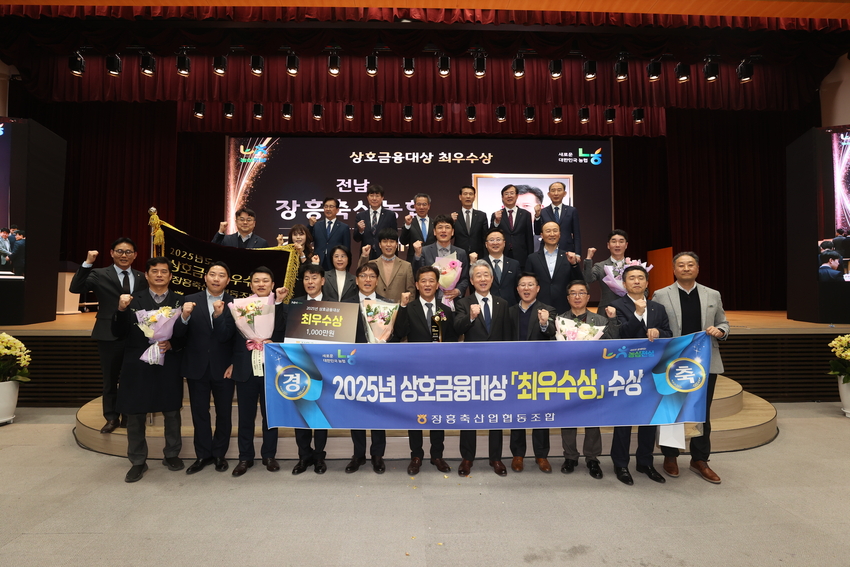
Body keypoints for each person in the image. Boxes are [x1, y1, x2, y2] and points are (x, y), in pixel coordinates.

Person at [652, 252, 730, 484]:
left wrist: (721, 331)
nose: (686, 268)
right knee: (671, 409)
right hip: (673, 363)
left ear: (697, 268)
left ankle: (700, 459)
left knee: (701, 411)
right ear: (674, 269)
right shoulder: (661, 294)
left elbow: (723, 322)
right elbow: (656, 325)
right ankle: (670, 456)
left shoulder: (712, 294)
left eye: (690, 265)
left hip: (704, 363)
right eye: (681, 265)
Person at [111, 257, 185, 482]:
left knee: (171, 411)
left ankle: (171, 454)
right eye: (155, 271)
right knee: (135, 413)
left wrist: (172, 343)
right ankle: (137, 460)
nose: (159, 275)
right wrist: (121, 309)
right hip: (138, 363)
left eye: (164, 271)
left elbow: (187, 334)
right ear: (146, 275)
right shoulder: (132, 300)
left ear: (170, 276)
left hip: (168, 363)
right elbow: (118, 332)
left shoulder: (180, 301)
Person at [69, 238, 148, 434]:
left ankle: (129, 415)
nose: (124, 255)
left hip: (136, 335)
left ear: (135, 255)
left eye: (128, 252)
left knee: (132, 378)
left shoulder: (141, 277)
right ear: (112, 253)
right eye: (119, 251)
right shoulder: (99, 274)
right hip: (108, 333)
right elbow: (75, 288)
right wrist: (88, 263)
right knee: (110, 379)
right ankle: (111, 417)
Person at [223, 266, 288, 476]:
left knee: (270, 416)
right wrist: (232, 362)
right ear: (251, 285)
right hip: (245, 368)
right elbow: (232, 339)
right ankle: (245, 457)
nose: (261, 284)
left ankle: (269, 455)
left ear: (272, 284)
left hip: (272, 368)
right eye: (257, 281)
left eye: (265, 281)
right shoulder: (241, 307)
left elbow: (284, 331)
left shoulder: (278, 305)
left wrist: (279, 303)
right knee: (245, 416)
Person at [610, 265, 672, 485]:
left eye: (640, 278)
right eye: (631, 278)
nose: (636, 281)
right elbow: (619, 335)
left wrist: (659, 332)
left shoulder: (658, 308)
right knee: (624, 420)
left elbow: (669, 334)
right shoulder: (614, 306)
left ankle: (645, 462)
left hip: (652, 371)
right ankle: (620, 464)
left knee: (649, 418)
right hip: (625, 372)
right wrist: (637, 314)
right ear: (624, 283)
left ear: (647, 283)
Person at [393, 266, 457, 475]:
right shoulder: (409, 307)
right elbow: (400, 332)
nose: (427, 284)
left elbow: (451, 339)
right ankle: (416, 455)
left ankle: (437, 455)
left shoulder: (445, 310)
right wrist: (402, 307)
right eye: (423, 281)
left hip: (439, 370)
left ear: (437, 285)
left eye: (431, 281)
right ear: (417, 285)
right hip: (415, 370)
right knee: (416, 414)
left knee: (437, 414)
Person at [454, 260, 514, 477]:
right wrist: (470, 317)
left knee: (495, 415)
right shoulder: (463, 303)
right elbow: (457, 327)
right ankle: (467, 458)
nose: (482, 279)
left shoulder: (502, 303)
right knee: (469, 414)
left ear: (492, 278)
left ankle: (495, 458)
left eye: (486, 275)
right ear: (471, 280)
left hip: (497, 367)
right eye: (478, 275)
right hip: (471, 367)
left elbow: (507, 337)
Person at [178, 262, 236, 475]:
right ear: (205, 277)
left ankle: (219, 454)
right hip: (197, 366)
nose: (216, 278)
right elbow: (178, 336)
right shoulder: (189, 300)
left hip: (224, 367)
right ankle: (202, 454)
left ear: (228, 280)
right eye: (212, 274)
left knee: (224, 413)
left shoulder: (235, 303)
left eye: (221, 275)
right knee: (199, 412)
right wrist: (184, 317)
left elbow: (238, 337)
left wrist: (234, 363)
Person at [559, 280, 619, 480]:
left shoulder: (600, 320)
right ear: (567, 298)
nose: (577, 296)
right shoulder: (559, 320)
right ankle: (570, 456)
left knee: (593, 418)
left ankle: (592, 458)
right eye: (573, 293)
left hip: (593, 375)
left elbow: (612, 344)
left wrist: (613, 321)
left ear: (587, 297)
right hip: (568, 377)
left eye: (581, 293)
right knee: (568, 418)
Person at [507, 273, 556, 473]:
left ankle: (541, 455)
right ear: (517, 289)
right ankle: (517, 454)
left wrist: (544, 323)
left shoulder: (548, 310)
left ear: (538, 288)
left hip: (539, 370)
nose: (526, 288)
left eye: (530, 285)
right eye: (522, 285)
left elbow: (552, 332)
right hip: (515, 370)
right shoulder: (509, 311)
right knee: (517, 413)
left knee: (540, 413)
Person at [345, 262, 390, 473]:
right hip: (353, 364)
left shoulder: (387, 305)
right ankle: (358, 454)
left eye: (372, 276)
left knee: (378, 410)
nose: (367, 279)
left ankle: (377, 455)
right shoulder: (345, 306)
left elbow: (396, 334)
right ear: (356, 280)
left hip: (378, 365)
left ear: (377, 280)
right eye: (363, 276)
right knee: (356, 410)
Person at [289, 265, 330, 474]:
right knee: (302, 412)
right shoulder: (295, 304)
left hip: (325, 368)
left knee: (320, 414)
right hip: (299, 366)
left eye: (314, 278)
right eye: (306, 278)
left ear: (322, 280)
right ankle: (304, 456)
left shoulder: (333, 306)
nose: (310, 282)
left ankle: (320, 456)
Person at [525, 221, 583, 315]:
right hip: (539, 308)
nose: (552, 234)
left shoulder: (568, 257)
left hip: (564, 308)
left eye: (555, 231)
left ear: (559, 234)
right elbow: (527, 283)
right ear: (542, 235)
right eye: (548, 231)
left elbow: (579, 282)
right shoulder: (532, 258)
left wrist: (574, 264)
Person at [412, 215, 469, 306]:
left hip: (453, 301)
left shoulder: (461, 253)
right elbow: (417, 274)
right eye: (440, 227)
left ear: (452, 232)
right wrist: (418, 255)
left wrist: (458, 291)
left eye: (447, 227)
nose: (443, 230)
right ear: (434, 232)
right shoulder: (425, 251)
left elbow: (465, 278)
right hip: (430, 301)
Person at [357, 227, 415, 302]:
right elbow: (360, 278)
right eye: (385, 241)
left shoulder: (406, 266)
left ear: (396, 244)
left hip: (398, 307)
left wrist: (404, 306)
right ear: (380, 244)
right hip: (375, 307)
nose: (388, 245)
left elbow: (411, 292)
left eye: (392, 241)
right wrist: (364, 256)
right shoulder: (372, 264)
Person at [583, 229, 631, 313]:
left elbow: (644, 290)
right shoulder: (601, 266)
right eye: (614, 242)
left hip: (629, 310)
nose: (617, 245)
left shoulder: (633, 266)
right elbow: (588, 279)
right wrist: (588, 258)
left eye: (621, 242)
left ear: (626, 245)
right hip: (606, 311)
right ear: (608, 245)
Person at [490, 184, 535, 269]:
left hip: (521, 255)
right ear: (502, 197)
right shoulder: (497, 214)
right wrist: (496, 222)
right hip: (502, 253)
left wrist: (530, 256)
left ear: (517, 196)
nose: (509, 196)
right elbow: (491, 235)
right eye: (506, 194)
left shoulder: (525, 214)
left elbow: (529, 237)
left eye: (512, 193)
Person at [534, 181, 581, 254]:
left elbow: (577, 235)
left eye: (559, 190)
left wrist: (577, 254)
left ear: (564, 193)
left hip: (567, 249)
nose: (556, 193)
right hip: (547, 250)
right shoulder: (543, 211)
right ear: (549, 194)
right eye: (553, 190)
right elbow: (537, 232)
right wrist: (537, 217)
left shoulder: (571, 211)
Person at [353, 184, 398, 261]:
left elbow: (394, 237)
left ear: (382, 198)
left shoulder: (390, 215)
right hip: (367, 254)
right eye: (371, 195)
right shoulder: (360, 216)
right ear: (367, 197)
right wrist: (360, 230)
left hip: (385, 255)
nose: (374, 198)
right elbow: (356, 239)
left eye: (377, 196)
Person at [309, 197, 351, 271]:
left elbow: (346, 248)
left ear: (337, 210)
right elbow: (309, 239)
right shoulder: (317, 225)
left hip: (335, 262)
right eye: (326, 206)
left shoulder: (344, 227)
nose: (328, 209)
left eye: (331, 206)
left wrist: (346, 267)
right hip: (318, 261)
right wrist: (310, 226)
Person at [482, 227, 520, 306]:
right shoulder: (481, 264)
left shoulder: (514, 264)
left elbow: (518, 288)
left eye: (498, 239)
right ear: (486, 244)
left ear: (504, 243)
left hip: (510, 307)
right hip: (488, 307)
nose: (495, 243)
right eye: (491, 240)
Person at [451, 185, 487, 259]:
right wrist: (451, 222)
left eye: (471, 194)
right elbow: (450, 236)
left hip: (478, 254)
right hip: (459, 254)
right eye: (465, 194)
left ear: (474, 197)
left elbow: (485, 236)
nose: (468, 196)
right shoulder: (454, 216)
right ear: (460, 197)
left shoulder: (481, 215)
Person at [400, 193, 436, 262]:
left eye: (424, 204)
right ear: (415, 206)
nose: (421, 207)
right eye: (419, 204)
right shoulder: (409, 222)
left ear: (429, 206)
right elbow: (403, 241)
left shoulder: (435, 223)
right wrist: (407, 225)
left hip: (432, 259)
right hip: (414, 260)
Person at [288, 224, 320, 298]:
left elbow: (309, 273)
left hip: (306, 292)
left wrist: (302, 255)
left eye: (301, 234)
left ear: (306, 236)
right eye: (295, 235)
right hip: (289, 291)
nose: (298, 237)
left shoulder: (312, 254)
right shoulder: (288, 253)